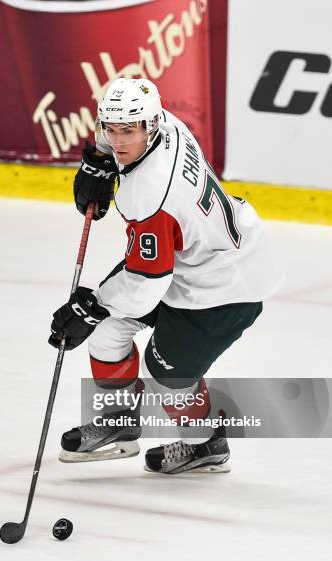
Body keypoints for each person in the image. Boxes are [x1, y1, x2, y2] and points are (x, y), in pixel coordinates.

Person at [48, 77, 283, 474]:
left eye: (128, 131)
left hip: (223, 287)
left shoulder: (150, 193)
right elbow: (149, 271)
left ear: (149, 125)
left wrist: (93, 306)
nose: (119, 140)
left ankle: (205, 444)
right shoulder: (168, 124)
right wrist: (103, 158)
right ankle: (120, 423)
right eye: (111, 129)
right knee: (108, 333)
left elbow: (145, 284)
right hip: (194, 258)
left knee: (168, 376)